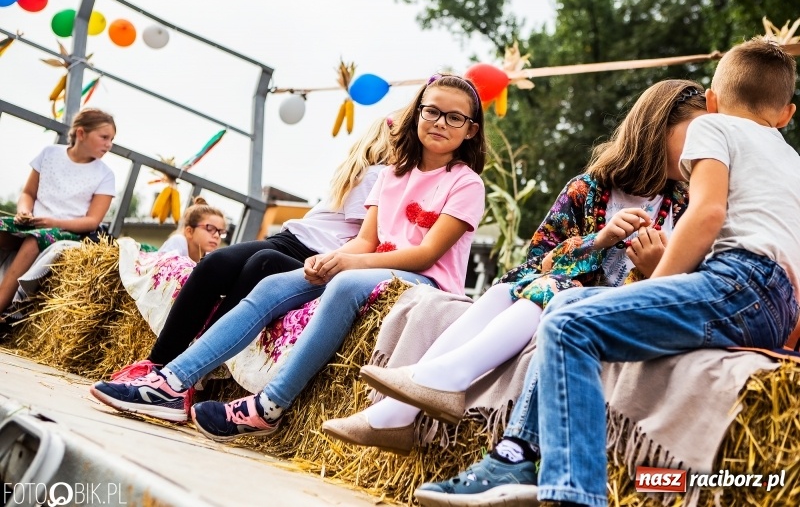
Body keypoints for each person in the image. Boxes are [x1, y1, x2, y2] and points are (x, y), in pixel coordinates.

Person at [414, 38, 800, 507]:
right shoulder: (789, 159)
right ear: (787, 115)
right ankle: (513, 455)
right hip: (773, 304)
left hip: (738, 283)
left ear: (713, 104)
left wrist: (655, 287)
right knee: (569, 303)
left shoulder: (714, 129)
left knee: (569, 325)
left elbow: (706, 215)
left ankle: (574, 491)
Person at [90, 74, 488, 439]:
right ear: (417, 113)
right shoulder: (391, 174)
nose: (440, 122)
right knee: (273, 283)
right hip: (373, 265)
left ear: (471, 130)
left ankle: (270, 405)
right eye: (432, 111)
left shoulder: (466, 183)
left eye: (455, 118)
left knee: (346, 282)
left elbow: (425, 254)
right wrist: (329, 258)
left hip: (424, 280)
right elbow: (366, 240)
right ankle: (173, 384)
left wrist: (347, 264)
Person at [322, 78, 702, 456]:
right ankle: (397, 413)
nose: (705, 147)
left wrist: (654, 268)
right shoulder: (587, 190)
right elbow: (537, 260)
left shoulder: (690, 205)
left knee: (550, 290)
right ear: (656, 129)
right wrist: (597, 240)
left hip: (613, 310)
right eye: (696, 133)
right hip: (562, 294)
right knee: (508, 288)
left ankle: (436, 384)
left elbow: (695, 287)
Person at [107, 115, 394, 382]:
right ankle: (159, 363)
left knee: (259, 263)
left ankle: (190, 368)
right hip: (291, 240)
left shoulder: (378, 178)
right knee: (215, 263)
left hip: (314, 255)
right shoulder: (366, 175)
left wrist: (330, 262)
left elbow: (366, 239)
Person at [0, 108, 116, 321]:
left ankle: (2, 306)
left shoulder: (105, 175)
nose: (109, 144)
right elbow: (28, 193)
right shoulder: (49, 154)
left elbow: (92, 221)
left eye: (111, 139)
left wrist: (52, 222)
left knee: (35, 241)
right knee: (1, 227)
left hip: (68, 231)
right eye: (104, 137)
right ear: (81, 133)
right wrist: (24, 211)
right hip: (34, 222)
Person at [157, 197, 227, 263]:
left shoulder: (210, 258)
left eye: (220, 232)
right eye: (210, 228)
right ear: (189, 232)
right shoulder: (178, 241)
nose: (217, 235)